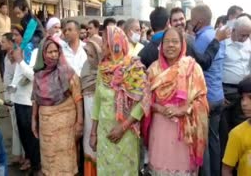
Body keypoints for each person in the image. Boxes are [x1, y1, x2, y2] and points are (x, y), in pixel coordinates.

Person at [147, 27, 209, 175]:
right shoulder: (153, 69)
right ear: (161, 45)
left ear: (182, 45)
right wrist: (159, 108)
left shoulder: (193, 68)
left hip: (185, 132)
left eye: (175, 41)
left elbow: (202, 101)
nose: (170, 45)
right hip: (160, 127)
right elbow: (144, 101)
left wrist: (184, 109)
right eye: (167, 42)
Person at [90, 26, 151, 175]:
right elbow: (97, 101)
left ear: (115, 43)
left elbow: (142, 102)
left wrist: (122, 127)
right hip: (105, 131)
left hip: (126, 132)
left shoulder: (133, 67)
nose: (101, 45)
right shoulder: (102, 68)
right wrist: (93, 132)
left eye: (105, 41)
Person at [31, 36, 83, 175]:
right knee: (49, 158)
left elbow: (78, 97)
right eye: (50, 52)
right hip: (46, 123)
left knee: (66, 158)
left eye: (56, 51)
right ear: (43, 54)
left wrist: (79, 122)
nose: (54, 55)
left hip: (66, 123)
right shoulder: (38, 74)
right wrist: (33, 120)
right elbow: (35, 98)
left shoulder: (67, 71)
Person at [191, 5, 226, 176]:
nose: (190, 24)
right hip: (218, 95)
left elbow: (198, 64)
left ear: (199, 21)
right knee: (214, 141)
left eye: (191, 20)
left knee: (202, 144)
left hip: (207, 100)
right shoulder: (217, 37)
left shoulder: (202, 39)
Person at [139, 6, 229, 70]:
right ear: (168, 23)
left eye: (181, 19)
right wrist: (216, 40)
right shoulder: (183, 43)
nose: (179, 23)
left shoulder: (144, 51)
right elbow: (204, 63)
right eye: (175, 20)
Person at [11, 0, 43, 173]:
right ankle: (31, 162)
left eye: (17, 35)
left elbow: (32, 75)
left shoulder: (32, 47)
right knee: (24, 135)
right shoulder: (19, 49)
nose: (14, 38)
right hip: (18, 99)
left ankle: (37, 165)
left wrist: (21, 59)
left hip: (29, 101)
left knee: (31, 136)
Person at [220, 16, 251, 157]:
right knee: (226, 129)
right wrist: (220, 92)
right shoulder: (224, 45)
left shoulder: (249, 45)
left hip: (244, 92)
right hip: (226, 91)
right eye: (242, 34)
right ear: (234, 30)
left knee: (242, 126)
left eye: (247, 34)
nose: (244, 38)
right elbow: (217, 70)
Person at [0, 32, 24, 165]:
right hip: (11, 96)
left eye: (4, 41)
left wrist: (11, 96)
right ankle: (17, 155)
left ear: (10, 42)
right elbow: (7, 78)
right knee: (15, 127)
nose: (1, 44)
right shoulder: (7, 56)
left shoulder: (17, 56)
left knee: (19, 127)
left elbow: (16, 79)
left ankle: (24, 157)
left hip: (17, 96)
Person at [80, 39, 102, 176]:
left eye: (92, 55)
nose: (89, 59)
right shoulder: (85, 66)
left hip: (101, 115)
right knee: (89, 146)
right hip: (88, 116)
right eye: (87, 54)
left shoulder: (107, 72)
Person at [222, 75, 251, 176]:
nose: (244, 103)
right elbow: (226, 169)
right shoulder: (237, 134)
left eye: (250, 97)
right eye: (242, 98)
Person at [0, 2, 11, 79]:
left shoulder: (8, 18)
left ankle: (8, 74)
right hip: (0, 41)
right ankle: (2, 76)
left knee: (7, 58)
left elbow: (9, 30)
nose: (5, 9)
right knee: (1, 58)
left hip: (8, 41)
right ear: (0, 9)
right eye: (3, 8)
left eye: (6, 8)